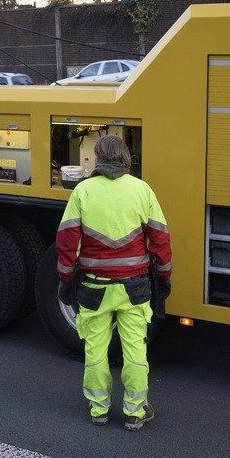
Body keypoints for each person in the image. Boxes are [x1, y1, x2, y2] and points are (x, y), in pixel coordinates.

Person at [56, 135, 172, 430]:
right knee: (135, 349)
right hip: (135, 287)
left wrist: (66, 280)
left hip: (94, 288)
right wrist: (163, 276)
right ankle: (135, 412)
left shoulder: (83, 190)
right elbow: (160, 238)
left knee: (95, 349)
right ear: (125, 158)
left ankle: (99, 410)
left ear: (97, 158)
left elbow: (68, 243)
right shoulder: (141, 189)